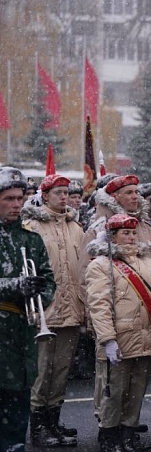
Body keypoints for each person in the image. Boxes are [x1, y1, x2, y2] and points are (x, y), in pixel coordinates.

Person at [85, 214, 151, 452]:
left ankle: (128, 434)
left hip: (145, 337)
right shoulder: (100, 264)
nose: (130, 237)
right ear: (112, 236)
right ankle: (109, 436)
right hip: (119, 337)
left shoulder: (148, 263)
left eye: (133, 233)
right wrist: (107, 339)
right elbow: (99, 304)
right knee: (113, 391)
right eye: (124, 233)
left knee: (137, 389)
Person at [22, 175, 84, 447]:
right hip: (45, 312)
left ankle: (52, 421)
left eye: (66, 192)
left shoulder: (76, 228)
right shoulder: (31, 227)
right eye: (58, 192)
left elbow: (83, 271)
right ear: (44, 195)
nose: (63, 197)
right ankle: (37, 427)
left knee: (61, 371)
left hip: (71, 311)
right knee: (41, 371)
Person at [0, 167, 55, 452]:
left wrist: (39, 297)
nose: (17, 204)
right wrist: (14, 286)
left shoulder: (31, 238)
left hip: (22, 333)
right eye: (9, 198)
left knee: (19, 398)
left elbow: (47, 279)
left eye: (20, 198)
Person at [83, 175, 151, 261]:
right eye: (129, 192)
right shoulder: (99, 229)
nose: (135, 196)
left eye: (136, 192)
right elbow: (85, 269)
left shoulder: (146, 227)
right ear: (115, 197)